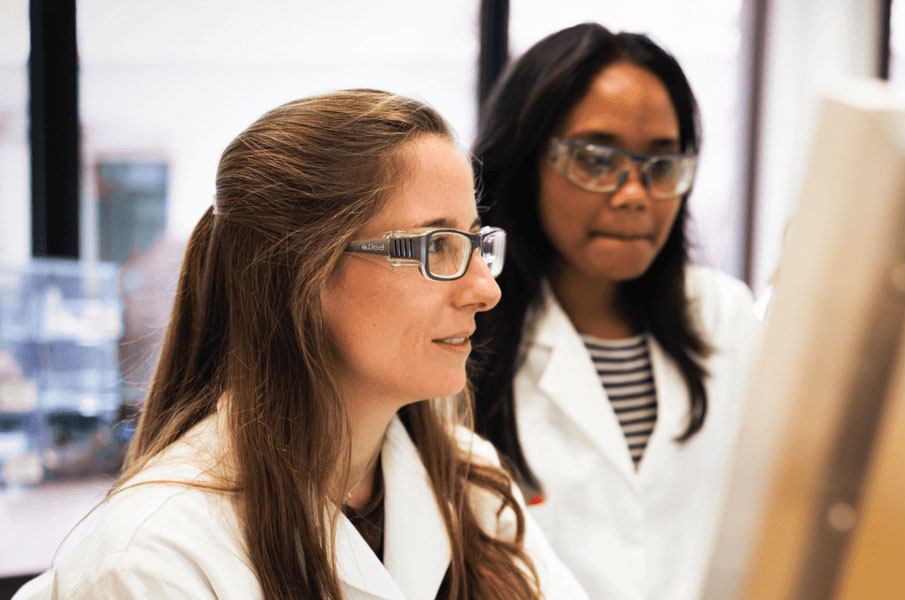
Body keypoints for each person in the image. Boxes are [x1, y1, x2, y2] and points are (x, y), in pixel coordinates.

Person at [16, 90, 587, 600]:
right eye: (437, 246)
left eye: (474, 242)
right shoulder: (153, 559)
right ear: (303, 275)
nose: (485, 290)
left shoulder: (470, 480)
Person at [471, 23, 761, 600]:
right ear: (527, 161)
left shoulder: (724, 317)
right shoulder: (466, 332)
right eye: (596, 160)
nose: (634, 194)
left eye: (660, 165)